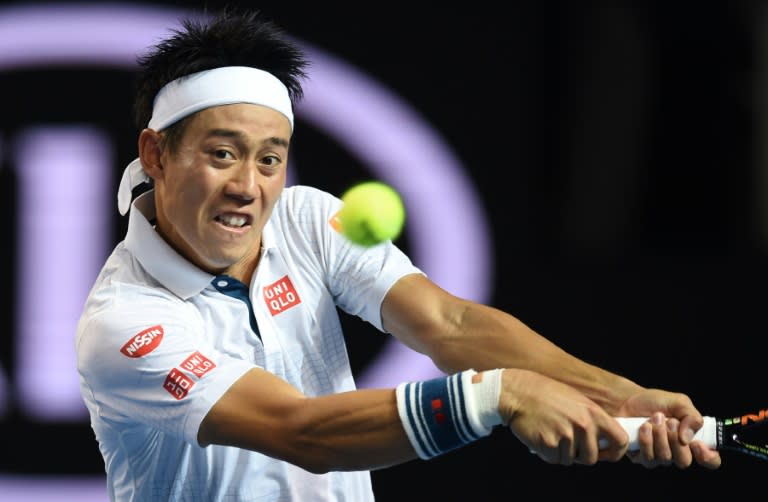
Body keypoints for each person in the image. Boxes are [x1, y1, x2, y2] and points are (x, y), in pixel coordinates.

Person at [75, 7, 721, 502]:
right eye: (222, 153)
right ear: (156, 155)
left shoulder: (304, 219)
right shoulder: (123, 324)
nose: (249, 185)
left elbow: (450, 325)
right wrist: (495, 396)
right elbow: (302, 432)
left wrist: (621, 397)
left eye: (270, 158)